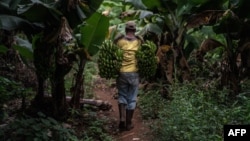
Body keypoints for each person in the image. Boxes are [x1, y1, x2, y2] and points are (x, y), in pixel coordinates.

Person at [113, 21, 143, 131]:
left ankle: (122, 118)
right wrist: (142, 39)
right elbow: (144, 52)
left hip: (122, 73)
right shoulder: (138, 42)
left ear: (126, 30)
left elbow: (112, 51)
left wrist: (115, 39)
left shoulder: (120, 42)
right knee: (132, 98)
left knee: (122, 95)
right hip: (134, 73)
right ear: (134, 30)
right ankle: (129, 123)